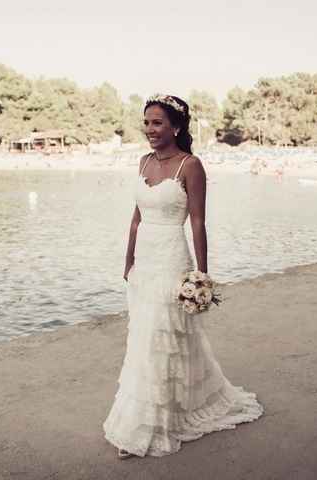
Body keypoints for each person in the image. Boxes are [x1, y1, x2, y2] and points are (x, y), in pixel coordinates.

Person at [103, 94, 264, 458]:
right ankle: (154, 412)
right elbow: (136, 217)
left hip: (172, 259)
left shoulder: (190, 165)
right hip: (144, 261)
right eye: (146, 123)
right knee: (145, 336)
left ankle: (152, 425)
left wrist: (201, 276)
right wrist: (127, 259)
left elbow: (197, 222)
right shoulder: (143, 161)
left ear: (176, 126)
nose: (150, 130)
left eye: (157, 123)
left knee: (162, 338)